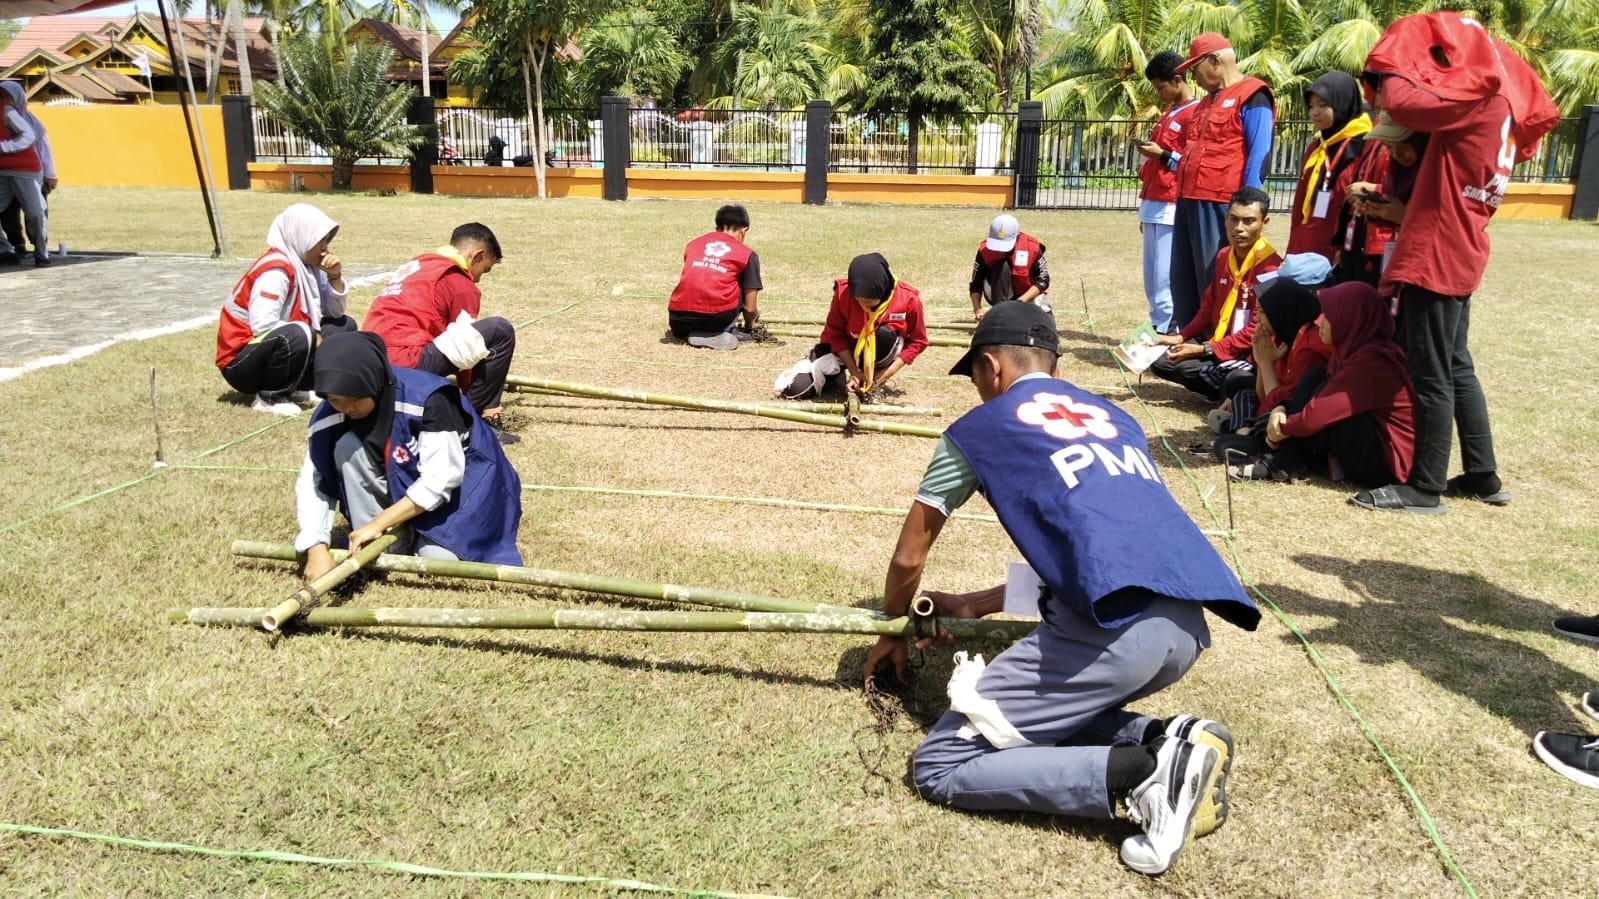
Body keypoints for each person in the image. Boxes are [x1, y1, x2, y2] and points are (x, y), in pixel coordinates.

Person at [862, 301, 1260, 876]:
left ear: (992, 367)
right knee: (1049, 711)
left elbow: (908, 557)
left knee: (940, 763)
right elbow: (1097, 550)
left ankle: (1143, 779)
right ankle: (1170, 739)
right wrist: (977, 603)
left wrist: (893, 628)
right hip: (1185, 630)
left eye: (974, 375)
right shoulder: (1117, 420)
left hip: (1114, 638)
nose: (977, 390)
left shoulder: (976, 431)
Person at [1352, 11, 1558, 514]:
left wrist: (1403, 52)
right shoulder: (1504, 112)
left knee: (1431, 372)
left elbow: (1399, 100)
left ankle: (1425, 487)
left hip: (1436, 254)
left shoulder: (1480, 103)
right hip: (1460, 245)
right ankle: (1484, 475)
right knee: (1456, 364)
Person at [295, 331, 523, 585]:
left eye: (355, 398)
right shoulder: (328, 416)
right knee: (346, 446)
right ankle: (390, 539)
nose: (347, 408)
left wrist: (379, 522)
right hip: (399, 483)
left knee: (438, 561)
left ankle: (404, 532)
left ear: (374, 383)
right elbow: (314, 484)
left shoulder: (428, 399)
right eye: (336, 400)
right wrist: (315, 548)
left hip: (464, 488)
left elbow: (441, 479)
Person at [1229, 282, 1416, 487]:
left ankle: (1284, 458)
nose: (1321, 322)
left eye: (1329, 317)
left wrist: (1281, 424)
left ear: (1349, 319)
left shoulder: (1372, 361)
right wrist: (1281, 408)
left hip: (1384, 468)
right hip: (1349, 443)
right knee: (1314, 379)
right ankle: (1283, 456)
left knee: (1319, 389)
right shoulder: (1350, 351)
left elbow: (1316, 416)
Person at [361, 223, 520, 444]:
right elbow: (466, 349)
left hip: (367, 365)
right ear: (477, 256)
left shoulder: (418, 265)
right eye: (484, 269)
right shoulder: (460, 283)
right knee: (499, 331)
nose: (479, 279)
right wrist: (477, 404)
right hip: (405, 363)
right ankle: (476, 424)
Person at [1168, 33, 1275, 331]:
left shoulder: (1253, 94)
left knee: (1211, 277)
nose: (1194, 77)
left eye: (1195, 69)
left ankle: (1214, 345)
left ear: (1214, 60)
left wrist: (1248, 204)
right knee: (1182, 277)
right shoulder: (1204, 103)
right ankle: (1188, 338)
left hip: (1219, 201)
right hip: (1188, 198)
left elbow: (1259, 151)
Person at [216, 203, 356, 414]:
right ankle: (270, 397)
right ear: (300, 237)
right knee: (301, 333)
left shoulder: (308, 266)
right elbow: (263, 325)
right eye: (320, 241)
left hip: (278, 346)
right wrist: (312, 335)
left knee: (343, 326)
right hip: (240, 363)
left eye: (327, 240)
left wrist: (335, 276)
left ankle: (301, 386)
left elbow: (333, 312)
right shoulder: (276, 269)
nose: (325, 248)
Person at [1149, 187, 1281, 402]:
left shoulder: (1270, 268)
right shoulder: (1223, 256)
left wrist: (1204, 349)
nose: (1239, 228)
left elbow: (1257, 330)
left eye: (1249, 221)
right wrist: (1181, 336)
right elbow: (1208, 306)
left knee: (1189, 371)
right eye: (1233, 219)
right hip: (1219, 345)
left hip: (1249, 355)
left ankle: (1237, 390)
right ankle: (1228, 389)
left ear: (1264, 223)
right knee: (1161, 361)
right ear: (1225, 219)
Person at [1210, 254, 1333, 439]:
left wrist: (1266, 363)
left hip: (1289, 417)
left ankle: (1242, 432)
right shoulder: (1284, 332)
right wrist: (1261, 361)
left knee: (1237, 388)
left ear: (1281, 309)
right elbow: (1262, 398)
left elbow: (1278, 403)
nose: (1257, 319)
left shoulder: (1310, 347)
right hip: (1275, 402)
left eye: (1261, 312)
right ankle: (1242, 430)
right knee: (1240, 388)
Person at [773, 253, 927, 400]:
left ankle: (870, 375)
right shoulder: (844, 294)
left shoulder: (908, 299)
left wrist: (881, 377)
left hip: (882, 352)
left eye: (868, 301)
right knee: (796, 390)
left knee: (881, 333)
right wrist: (854, 371)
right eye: (858, 299)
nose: (862, 304)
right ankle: (835, 376)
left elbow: (918, 341)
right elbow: (834, 334)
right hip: (845, 348)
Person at [1134, 51, 1199, 334]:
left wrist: (1161, 154)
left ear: (1178, 80)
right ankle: (1157, 327)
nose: (1159, 94)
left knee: (1164, 278)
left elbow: (1191, 161)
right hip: (1153, 202)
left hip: (1171, 204)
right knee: (1151, 277)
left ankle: (1166, 331)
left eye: (1161, 87)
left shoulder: (1193, 113)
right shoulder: (1168, 112)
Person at [1285, 72, 1372, 262]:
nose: (1314, 112)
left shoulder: (1363, 145)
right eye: (1311, 106)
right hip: (1306, 240)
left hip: (1340, 243)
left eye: (1323, 105)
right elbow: (1300, 204)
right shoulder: (1316, 148)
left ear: (1343, 104)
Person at [667, 204, 763, 349]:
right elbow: (750, 308)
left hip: (677, 321)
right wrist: (750, 326)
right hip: (714, 321)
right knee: (741, 282)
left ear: (717, 228)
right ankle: (717, 333)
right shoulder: (746, 254)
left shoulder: (693, 244)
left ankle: (692, 334)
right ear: (744, 229)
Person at [0, 82, 54, 265]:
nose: (4, 100)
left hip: (26, 171)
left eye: (7, 96)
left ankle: (41, 252)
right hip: (3, 172)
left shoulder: (16, 115)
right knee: (10, 216)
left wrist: (5, 147)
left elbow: (37, 142)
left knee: (35, 213)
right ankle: (9, 249)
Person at [967, 213, 1050, 321]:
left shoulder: (1031, 247)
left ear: (1017, 235)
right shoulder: (985, 250)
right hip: (997, 293)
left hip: (1027, 296)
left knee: (1045, 325)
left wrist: (1019, 302)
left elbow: (1043, 280)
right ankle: (1002, 313)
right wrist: (978, 309)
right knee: (1002, 266)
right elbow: (976, 284)